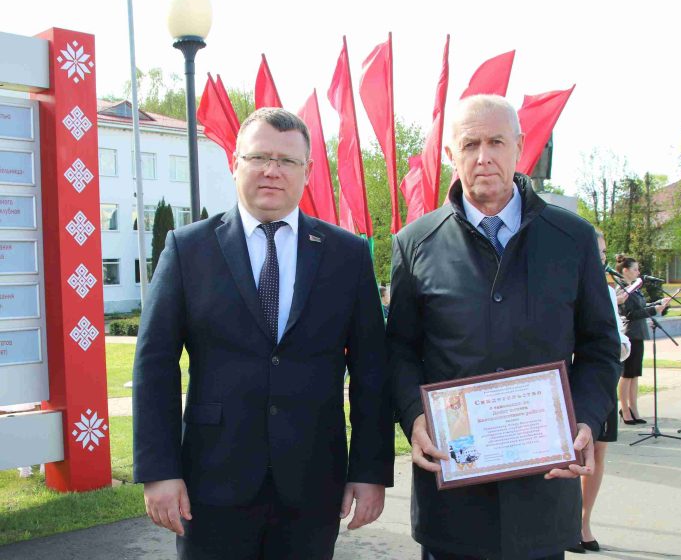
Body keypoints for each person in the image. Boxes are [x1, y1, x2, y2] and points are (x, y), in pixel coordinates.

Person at [133, 108, 394, 560]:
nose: (273, 170)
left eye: (288, 161)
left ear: (308, 172)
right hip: (211, 482)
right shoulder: (188, 249)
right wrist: (159, 471)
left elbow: (372, 371)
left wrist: (369, 471)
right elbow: (154, 366)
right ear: (236, 163)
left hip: (313, 482)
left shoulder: (347, 255)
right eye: (259, 157)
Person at [388, 95, 620, 560]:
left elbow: (600, 346)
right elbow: (399, 350)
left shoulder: (571, 238)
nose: (483, 157)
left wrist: (585, 419)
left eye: (496, 142)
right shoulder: (416, 243)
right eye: (469, 144)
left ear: (519, 146)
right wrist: (414, 415)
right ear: (451, 154)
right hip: (452, 500)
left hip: (543, 493)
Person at [569, 232, 630, 554]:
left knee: (597, 452)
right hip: (566, 383)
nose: (601, 258)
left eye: (604, 252)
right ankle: (563, 521)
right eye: (597, 251)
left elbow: (616, 337)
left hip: (599, 382)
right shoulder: (562, 281)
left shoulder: (605, 291)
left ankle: (583, 521)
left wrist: (618, 347)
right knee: (566, 454)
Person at [615, 255, 668, 425]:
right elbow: (630, 314)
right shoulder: (622, 290)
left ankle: (634, 408)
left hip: (638, 333)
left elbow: (641, 308)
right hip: (630, 333)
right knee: (627, 374)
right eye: (635, 269)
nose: (638, 272)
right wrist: (653, 311)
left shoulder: (635, 288)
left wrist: (657, 304)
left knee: (635, 374)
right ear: (625, 271)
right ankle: (624, 409)